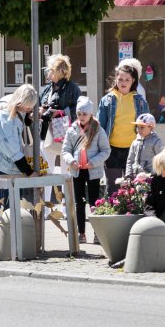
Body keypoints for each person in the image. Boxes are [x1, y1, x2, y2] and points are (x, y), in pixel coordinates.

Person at [61, 96, 110, 243]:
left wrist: (93, 162)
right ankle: (81, 232)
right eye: (79, 114)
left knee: (95, 202)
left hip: (93, 171)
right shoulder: (72, 130)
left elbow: (106, 151)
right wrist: (71, 160)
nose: (82, 117)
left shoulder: (98, 129)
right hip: (77, 171)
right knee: (79, 203)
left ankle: (97, 233)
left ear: (91, 114)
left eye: (85, 114)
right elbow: (65, 150)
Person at [97, 62, 149, 195]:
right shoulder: (107, 100)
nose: (123, 82)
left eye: (127, 79)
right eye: (120, 79)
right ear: (116, 80)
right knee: (113, 187)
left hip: (133, 149)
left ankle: (130, 213)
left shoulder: (140, 101)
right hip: (111, 149)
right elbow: (100, 127)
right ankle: (112, 213)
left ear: (133, 81)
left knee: (132, 187)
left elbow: (148, 126)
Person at [0, 85, 38, 202]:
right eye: (27, 108)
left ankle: (10, 218)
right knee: (9, 199)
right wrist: (29, 172)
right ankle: (7, 219)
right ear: (20, 102)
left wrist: (27, 117)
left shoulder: (13, 103)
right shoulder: (5, 116)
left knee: (11, 197)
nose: (29, 110)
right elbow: (13, 151)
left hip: (0, 157)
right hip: (1, 160)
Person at [39, 54, 82, 163]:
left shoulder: (72, 88)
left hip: (66, 134)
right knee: (46, 170)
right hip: (46, 133)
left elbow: (79, 111)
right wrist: (41, 111)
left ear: (58, 71)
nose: (47, 72)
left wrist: (61, 112)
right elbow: (40, 104)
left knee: (66, 172)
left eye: (50, 69)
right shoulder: (47, 89)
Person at [125, 113, 164, 177]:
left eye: (142, 127)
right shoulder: (135, 142)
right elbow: (130, 160)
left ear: (151, 128)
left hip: (150, 177)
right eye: (137, 127)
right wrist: (128, 175)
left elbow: (162, 160)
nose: (139, 130)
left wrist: (153, 174)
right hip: (136, 178)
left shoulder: (156, 141)